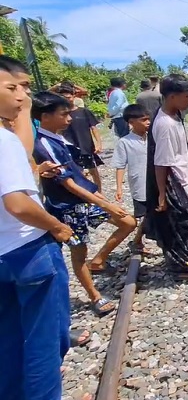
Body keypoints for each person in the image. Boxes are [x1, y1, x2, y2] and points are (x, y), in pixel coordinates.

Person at [0, 56, 74, 400]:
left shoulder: (9, 138)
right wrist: (55, 226)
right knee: (46, 343)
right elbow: (17, 203)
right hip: (29, 251)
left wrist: (23, 105)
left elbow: (22, 144)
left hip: (3, 257)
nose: (21, 96)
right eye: (12, 87)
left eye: (24, 88)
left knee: (11, 341)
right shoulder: (3, 141)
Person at [32, 91, 137, 317]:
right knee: (79, 252)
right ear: (45, 116)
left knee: (128, 222)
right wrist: (105, 204)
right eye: (64, 114)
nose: (69, 119)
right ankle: (95, 296)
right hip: (67, 207)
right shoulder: (43, 144)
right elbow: (68, 184)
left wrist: (101, 197)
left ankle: (98, 261)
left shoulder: (59, 138)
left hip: (85, 198)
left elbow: (77, 176)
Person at [146, 74, 188, 282]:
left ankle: (187, 262)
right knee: (180, 226)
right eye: (186, 96)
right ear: (172, 97)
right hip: (175, 183)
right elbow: (161, 163)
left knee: (187, 225)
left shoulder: (174, 116)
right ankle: (183, 269)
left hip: (183, 179)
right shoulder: (165, 124)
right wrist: (163, 196)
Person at [113, 104, 151, 255]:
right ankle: (137, 241)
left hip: (155, 183)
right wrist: (119, 187)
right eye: (144, 120)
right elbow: (120, 165)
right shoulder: (125, 142)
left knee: (155, 213)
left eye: (149, 119)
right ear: (131, 122)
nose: (148, 122)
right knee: (145, 215)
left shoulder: (152, 138)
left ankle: (139, 240)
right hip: (139, 184)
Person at [58, 83, 104, 192]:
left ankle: (100, 193)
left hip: (86, 145)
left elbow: (93, 128)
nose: (66, 100)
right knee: (79, 173)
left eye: (68, 97)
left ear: (74, 96)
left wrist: (98, 143)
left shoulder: (84, 111)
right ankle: (86, 195)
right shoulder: (61, 114)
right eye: (63, 98)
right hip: (70, 147)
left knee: (93, 171)